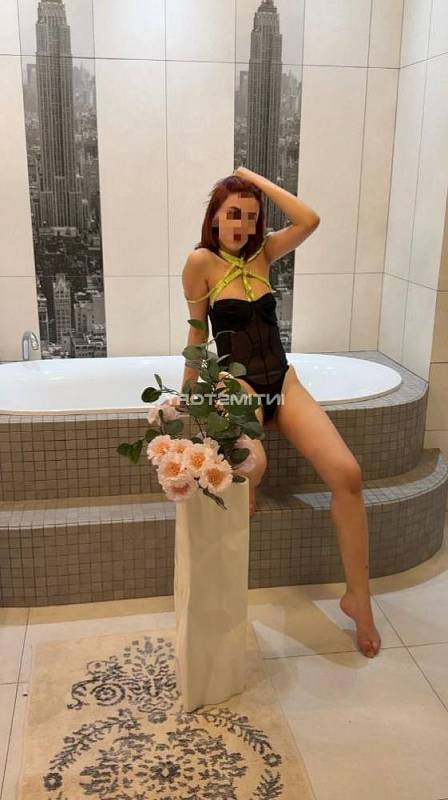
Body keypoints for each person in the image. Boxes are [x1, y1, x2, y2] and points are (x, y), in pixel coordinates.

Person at [181, 166, 381, 659]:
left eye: (251, 217)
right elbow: (197, 332)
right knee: (256, 464)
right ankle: (251, 488)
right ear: (215, 216)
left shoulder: (265, 254)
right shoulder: (200, 262)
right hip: (238, 382)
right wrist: (190, 393)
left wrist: (252, 178)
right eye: (233, 214)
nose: (242, 225)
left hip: (283, 382)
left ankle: (359, 599)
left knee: (348, 475)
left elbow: (309, 219)